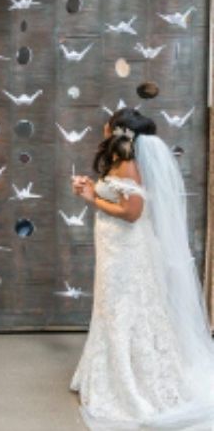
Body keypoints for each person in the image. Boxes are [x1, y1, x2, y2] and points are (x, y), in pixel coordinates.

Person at [68, 107, 214, 430]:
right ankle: (106, 371)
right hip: (113, 248)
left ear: (118, 130)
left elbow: (132, 213)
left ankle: (129, 382)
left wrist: (92, 197)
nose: (104, 125)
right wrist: (90, 188)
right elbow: (117, 196)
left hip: (125, 252)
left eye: (109, 121)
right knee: (111, 306)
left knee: (123, 308)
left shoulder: (130, 166)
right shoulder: (121, 162)